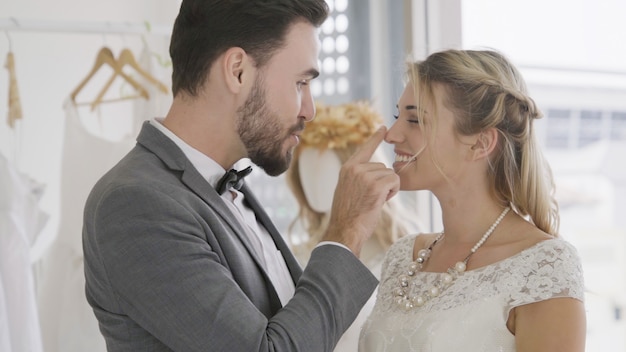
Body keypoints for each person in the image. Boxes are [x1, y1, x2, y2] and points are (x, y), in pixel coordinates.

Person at [82, 1, 400, 351]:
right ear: (237, 71)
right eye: (300, 83)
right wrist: (346, 232)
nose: (309, 110)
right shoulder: (135, 203)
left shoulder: (228, 185)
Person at [358, 49, 586, 352]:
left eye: (414, 120)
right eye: (399, 115)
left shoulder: (544, 266)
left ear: (480, 143)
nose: (392, 134)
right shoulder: (402, 257)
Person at [285, 101, 417, 351]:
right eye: (306, 169)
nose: (313, 181)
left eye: (324, 170)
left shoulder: (405, 256)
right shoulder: (292, 256)